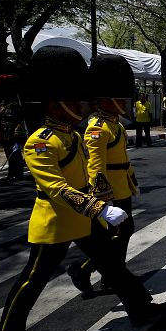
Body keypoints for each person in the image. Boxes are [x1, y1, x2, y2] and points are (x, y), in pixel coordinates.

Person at [0, 46, 166, 331]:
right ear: (55, 104)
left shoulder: (70, 135)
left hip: (82, 219)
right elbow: (56, 189)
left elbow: (88, 174)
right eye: (73, 100)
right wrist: (100, 206)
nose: (81, 105)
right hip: (56, 222)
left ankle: (142, 309)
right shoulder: (40, 142)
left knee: (113, 265)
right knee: (33, 278)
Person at [68, 55, 140, 294]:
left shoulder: (114, 124)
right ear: (105, 100)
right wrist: (103, 196)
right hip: (110, 190)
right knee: (119, 232)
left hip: (122, 186)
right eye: (118, 97)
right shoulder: (98, 127)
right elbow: (96, 165)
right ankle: (90, 270)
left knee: (122, 232)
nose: (123, 101)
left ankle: (108, 272)